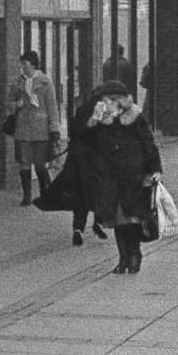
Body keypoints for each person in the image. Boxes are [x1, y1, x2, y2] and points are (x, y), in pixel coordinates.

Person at [76, 81, 162, 274]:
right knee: (116, 220)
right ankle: (122, 258)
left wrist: (154, 169)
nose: (105, 102)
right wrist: (93, 122)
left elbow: (148, 144)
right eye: (103, 100)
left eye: (109, 99)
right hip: (110, 175)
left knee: (131, 219)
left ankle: (134, 254)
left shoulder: (135, 118)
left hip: (133, 175)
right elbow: (86, 142)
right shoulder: (103, 119)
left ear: (119, 99)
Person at [33, 93, 108, 246]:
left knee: (80, 195)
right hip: (94, 160)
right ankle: (99, 222)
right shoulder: (101, 111)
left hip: (77, 160)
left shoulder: (81, 110)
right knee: (100, 191)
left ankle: (78, 229)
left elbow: (74, 133)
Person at [7, 50, 61, 206]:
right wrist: (15, 105)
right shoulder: (18, 83)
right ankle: (27, 195)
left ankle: (47, 192)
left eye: (24, 64)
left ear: (32, 65)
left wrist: (54, 129)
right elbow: (9, 104)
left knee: (39, 163)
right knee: (24, 162)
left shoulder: (45, 82)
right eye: (21, 64)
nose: (22, 67)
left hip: (41, 129)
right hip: (23, 128)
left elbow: (52, 107)